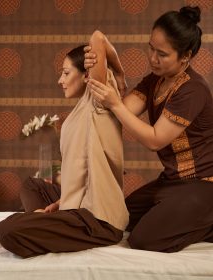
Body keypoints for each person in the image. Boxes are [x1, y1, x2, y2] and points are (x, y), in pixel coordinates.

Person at [85, 6, 213, 253]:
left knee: (143, 240)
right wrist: (115, 72)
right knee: (118, 220)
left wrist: (114, 103)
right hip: (171, 182)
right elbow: (115, 112)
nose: (153, 58)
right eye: (151, 48)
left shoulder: (192, 90)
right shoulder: (155, 80)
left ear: (185, 57)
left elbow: (155, 140)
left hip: (203, 184)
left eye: (162, 54)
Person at [0, 30, 129, 258]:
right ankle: (49, 220)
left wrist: (117, 71)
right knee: (33, 185)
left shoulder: (98, 100)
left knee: (7, 229)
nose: (60, 80)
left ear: (87, 75)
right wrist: (62, 200)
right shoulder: (80, 109)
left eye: (66, 73)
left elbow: (97, 38)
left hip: (98, 219)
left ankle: (45, 224)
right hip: (77, 205)